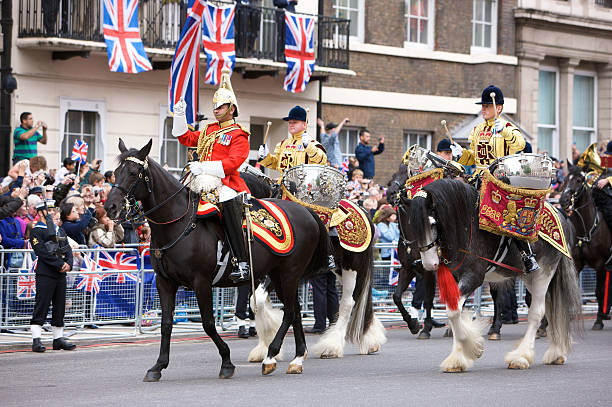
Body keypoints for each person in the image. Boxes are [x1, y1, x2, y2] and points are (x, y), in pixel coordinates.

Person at [173, 67, 252, 282]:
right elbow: (185, 138)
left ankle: (242, 261)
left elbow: (233, 163)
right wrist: (179, 114)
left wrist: (204, 167)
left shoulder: (239, 134)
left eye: (221, 106)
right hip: (200, 179)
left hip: (226, 182)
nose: (216, 110)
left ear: (232, 109)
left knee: (228, 206)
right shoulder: (208, 130)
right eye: (215, 106)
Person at [454, 85, 537, 274]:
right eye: (482, 106)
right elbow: (473, 158)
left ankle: (526, 254)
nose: (483, 109)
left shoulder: (507, 127)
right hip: (479, 177)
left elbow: (520, 144)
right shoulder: (476, 130)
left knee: (510, 213)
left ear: (498, 108)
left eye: (487, 106)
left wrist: (505, 132)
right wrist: (461, 154)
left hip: (501, 179)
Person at [29, 200, 76, 352]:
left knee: (59, 306)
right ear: (42, 213)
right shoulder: (37, 230)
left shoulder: (59, 230)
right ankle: (36, 339)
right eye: (49, 211)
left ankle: (58, 338)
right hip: (46, 273)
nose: (53, 214)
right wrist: (59, 264)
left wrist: (68, 264)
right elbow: (41, 252)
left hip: (60, 274)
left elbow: (67, 249)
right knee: (42, 305)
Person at [258, 105, 327, 174]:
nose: (291, 125)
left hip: (301, 184)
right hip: (283, 184)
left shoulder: (312, 144)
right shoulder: (283, 144)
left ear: (304, 125)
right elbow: (276, 164)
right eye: (290, 122)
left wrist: (309, 147)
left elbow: (322, 160)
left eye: (295, 122)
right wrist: (266, 157)